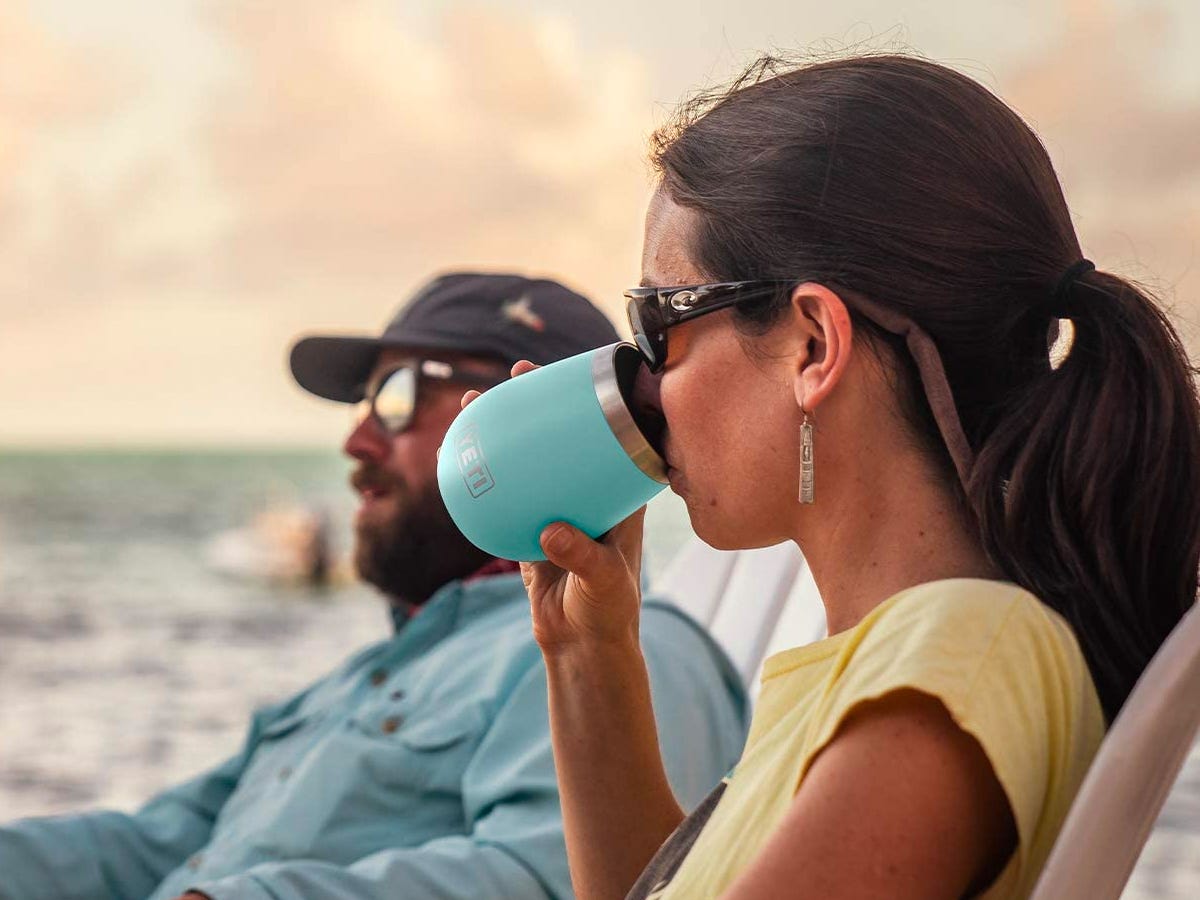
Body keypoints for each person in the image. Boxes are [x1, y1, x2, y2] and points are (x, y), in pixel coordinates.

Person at [484, 57, 1200, 899]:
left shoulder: (957, 661)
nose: (641, 385)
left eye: (657, 325)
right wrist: (586, 653)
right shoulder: (898, 665)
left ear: (813, 346)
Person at [0, 273, 748, 900]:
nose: (355, 441)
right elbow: (152, 848)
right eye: (364, 403)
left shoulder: (631, 653)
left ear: (532, 414)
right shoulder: (358, 683)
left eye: (396, 396)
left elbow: (553, 879)